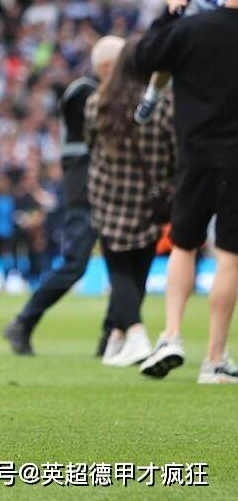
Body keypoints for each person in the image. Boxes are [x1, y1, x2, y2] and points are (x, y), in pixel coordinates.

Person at [130, 0, 238, 384]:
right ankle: (214, 359)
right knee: (230, 255)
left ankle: (171, 335)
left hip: (194, 153)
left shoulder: (196, 28)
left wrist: (172, 9)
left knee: (184, 243)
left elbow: (143, 55)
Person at [3, 35, 125, 355]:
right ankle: (23, 321)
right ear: (107, 66)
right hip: (85, 190)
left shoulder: (96, 91)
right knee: (75, 264)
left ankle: (110, 338)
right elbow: (105, 112)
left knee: (122, 264)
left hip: (111, 189)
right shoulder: (81, 91)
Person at [84, 51, 175, 367]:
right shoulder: (163, 105)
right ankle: (121, 338)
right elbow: (175, 152)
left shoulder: (99, 102)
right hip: (150, 200)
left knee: (120, 272)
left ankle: (131, 334)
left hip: (110, 198)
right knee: (139, 272)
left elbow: (91, 147)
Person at [134, 0, 235, 123]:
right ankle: (151, 97)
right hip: (189, 33)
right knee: (166, 64)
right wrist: (174, 1)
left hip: (216, 37)